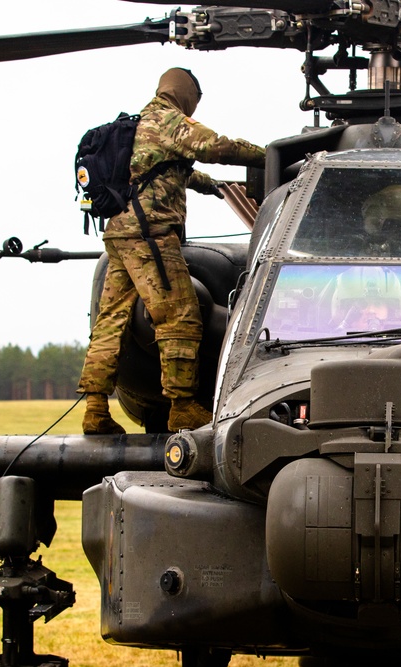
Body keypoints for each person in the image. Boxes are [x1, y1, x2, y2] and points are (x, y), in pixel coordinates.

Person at [77, 67, 266, 435]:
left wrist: (206, 184)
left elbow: (162, 167)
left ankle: (95, 410)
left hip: (119, 235)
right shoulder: (169, 120)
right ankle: (181, 407)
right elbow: (215, 147)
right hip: (150, 238)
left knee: (111, 322)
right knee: (180, 316)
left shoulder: (139, 125)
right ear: (185, 95)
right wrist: (268, 155)